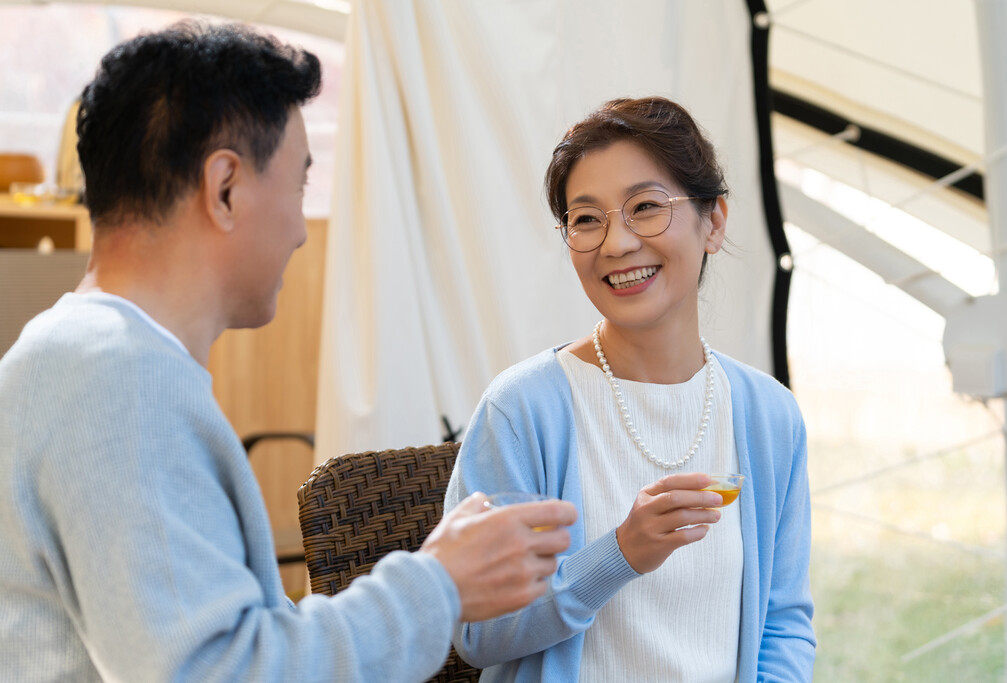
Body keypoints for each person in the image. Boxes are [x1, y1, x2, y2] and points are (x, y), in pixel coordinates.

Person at [0, 22, 576, 682]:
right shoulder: (116, 383)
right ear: (225, 188)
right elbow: (219, 669)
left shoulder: (81, 357)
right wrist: (438, 583)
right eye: (299, 186)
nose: (302, 231)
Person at [444, 97, 815, 681]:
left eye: (646, 207)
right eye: (586, 219)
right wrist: (619, 554)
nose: (616, 244)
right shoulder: (523, 411)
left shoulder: (768, 415)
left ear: (713, 221)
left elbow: (783, 622)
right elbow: (476, 632)